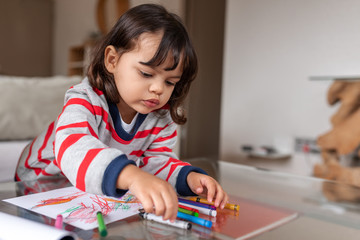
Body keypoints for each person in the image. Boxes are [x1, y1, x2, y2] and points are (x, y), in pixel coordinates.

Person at [15, 4, 228, 221]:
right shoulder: (85, 98)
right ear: (112, 60)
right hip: (39, 181)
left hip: (86, 192)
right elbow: (74, 147)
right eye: (146, 73)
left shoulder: (160, 116)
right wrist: (132, 177)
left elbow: (156, 162)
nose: (158, 88)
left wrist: (188, 178)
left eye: (170, 81)